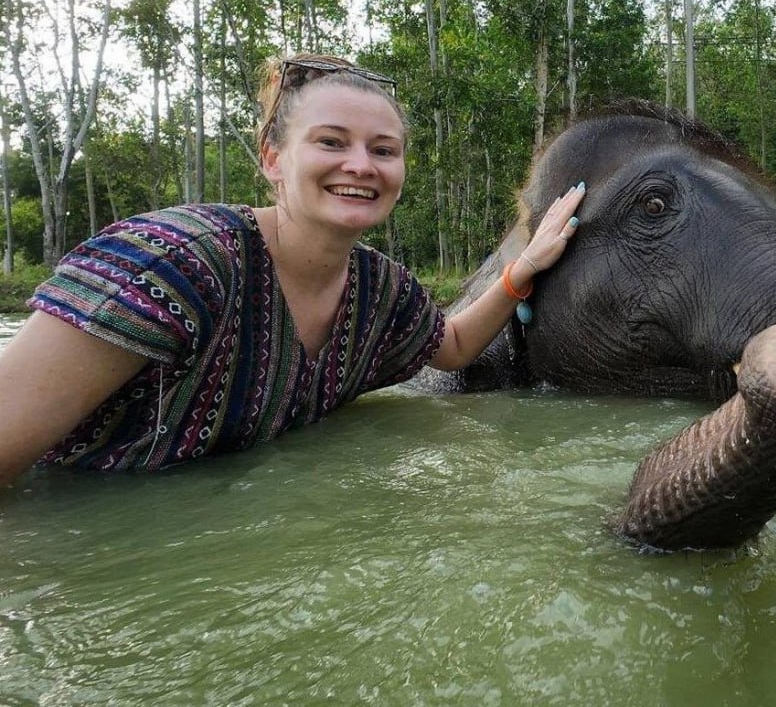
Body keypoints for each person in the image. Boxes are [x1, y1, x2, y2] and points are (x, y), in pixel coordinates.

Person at [0, 54, 585, 486]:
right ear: (273, 159)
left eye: (383, 150)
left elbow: (452, 345)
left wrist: (523, 267)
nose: (361, 165)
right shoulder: (176, 261)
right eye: (332, 142)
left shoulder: (381, 291)